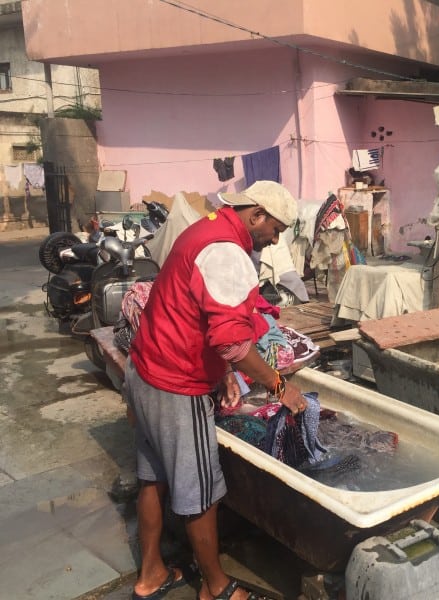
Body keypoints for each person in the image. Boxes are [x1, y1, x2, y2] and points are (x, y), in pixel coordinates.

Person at [125, 180, 307, 600]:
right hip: (175, 384)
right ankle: (217, 587)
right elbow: (232, 341)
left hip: (145, 368)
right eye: (275, 229)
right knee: (201, 491)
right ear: (256, 215)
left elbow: (198, 314)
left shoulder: (205, 227)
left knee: (152, 479)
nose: (275, 239)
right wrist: (281, 387)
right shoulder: (228, 253)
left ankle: (151, 574)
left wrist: (222, 370)